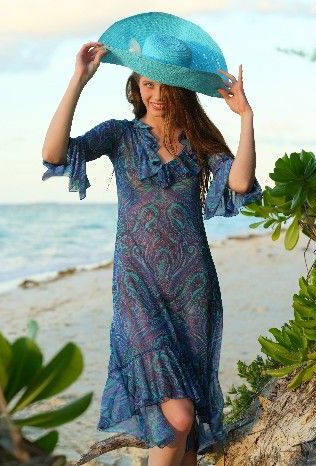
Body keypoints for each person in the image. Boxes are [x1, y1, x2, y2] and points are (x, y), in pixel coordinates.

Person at [41, 13, 262, 466]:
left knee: (188, 428)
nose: (156, 96)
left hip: (193, 289)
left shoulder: (199, 141)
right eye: (147, 84)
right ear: (136, 86)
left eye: (165, 87)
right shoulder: (119, 135)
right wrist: (78, 81)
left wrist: (246, 118)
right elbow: (54, 153)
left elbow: (240, 183)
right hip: (137, 286)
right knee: (176, 418)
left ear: (182, 90)